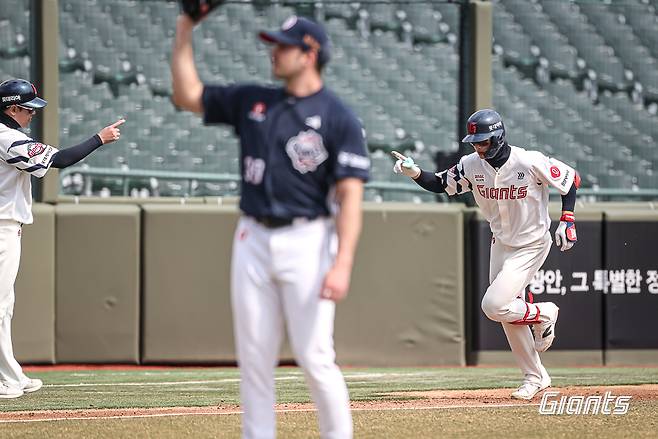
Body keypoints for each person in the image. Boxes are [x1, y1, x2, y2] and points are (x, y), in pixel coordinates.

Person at [171, 13, 369, 439]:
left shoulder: (339, 117)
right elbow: (187, 95)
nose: (273, 52)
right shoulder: (253, 100)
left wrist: (343, 263)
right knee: (254, 360)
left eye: (284, 45)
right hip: (253, 237)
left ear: (310, 53)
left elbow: (351, 196)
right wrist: (185, 28)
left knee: (315, 356)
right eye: (274, 44)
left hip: (309, 238)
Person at [392, 109, 579, 401]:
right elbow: (441, 183)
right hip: (501, 243)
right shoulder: (471, 165)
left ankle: (545, 313)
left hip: (531, 244)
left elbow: (570, 179)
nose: (479, 148)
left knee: (494, 305)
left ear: (499, 137)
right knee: (506, 313)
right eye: (475, 143)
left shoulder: (528, 161)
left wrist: (567, 218)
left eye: (483, 142)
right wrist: (414, 172)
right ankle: (535, 377)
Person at [0, 78, 124, 399]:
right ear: (12, 109)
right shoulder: (7, 138)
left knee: (5, 306)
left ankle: (11, 374)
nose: (32, 114)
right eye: (28, 109)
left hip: (8, 226)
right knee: (0, 306)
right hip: (2, 228)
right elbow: (61, 160)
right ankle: (8, 381)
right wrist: (99, 138)